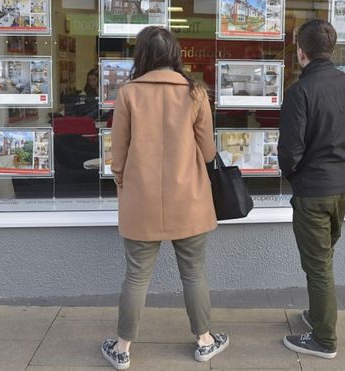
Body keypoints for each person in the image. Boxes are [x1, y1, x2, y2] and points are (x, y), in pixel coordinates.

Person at [101, 26, 228, 370]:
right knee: (194, 273)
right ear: (175, 54)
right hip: (189, 197)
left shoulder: (128, 94)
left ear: (141, 55)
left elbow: (119, 153)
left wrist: (122, 181)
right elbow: (207, 151)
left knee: (136, 276)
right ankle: (204, 341)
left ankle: (122, 348)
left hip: (141, 199)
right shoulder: (195, 93)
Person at [278, 19, 345, 359]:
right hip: (342, 188)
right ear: (329, 49)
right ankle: (318, 315)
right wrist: (339, 160)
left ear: (301, 52)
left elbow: (290, 150)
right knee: (323, 259)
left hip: (313, 191)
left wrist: (295, 175)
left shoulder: (301, 91)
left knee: (318, 267)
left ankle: (324, 339)